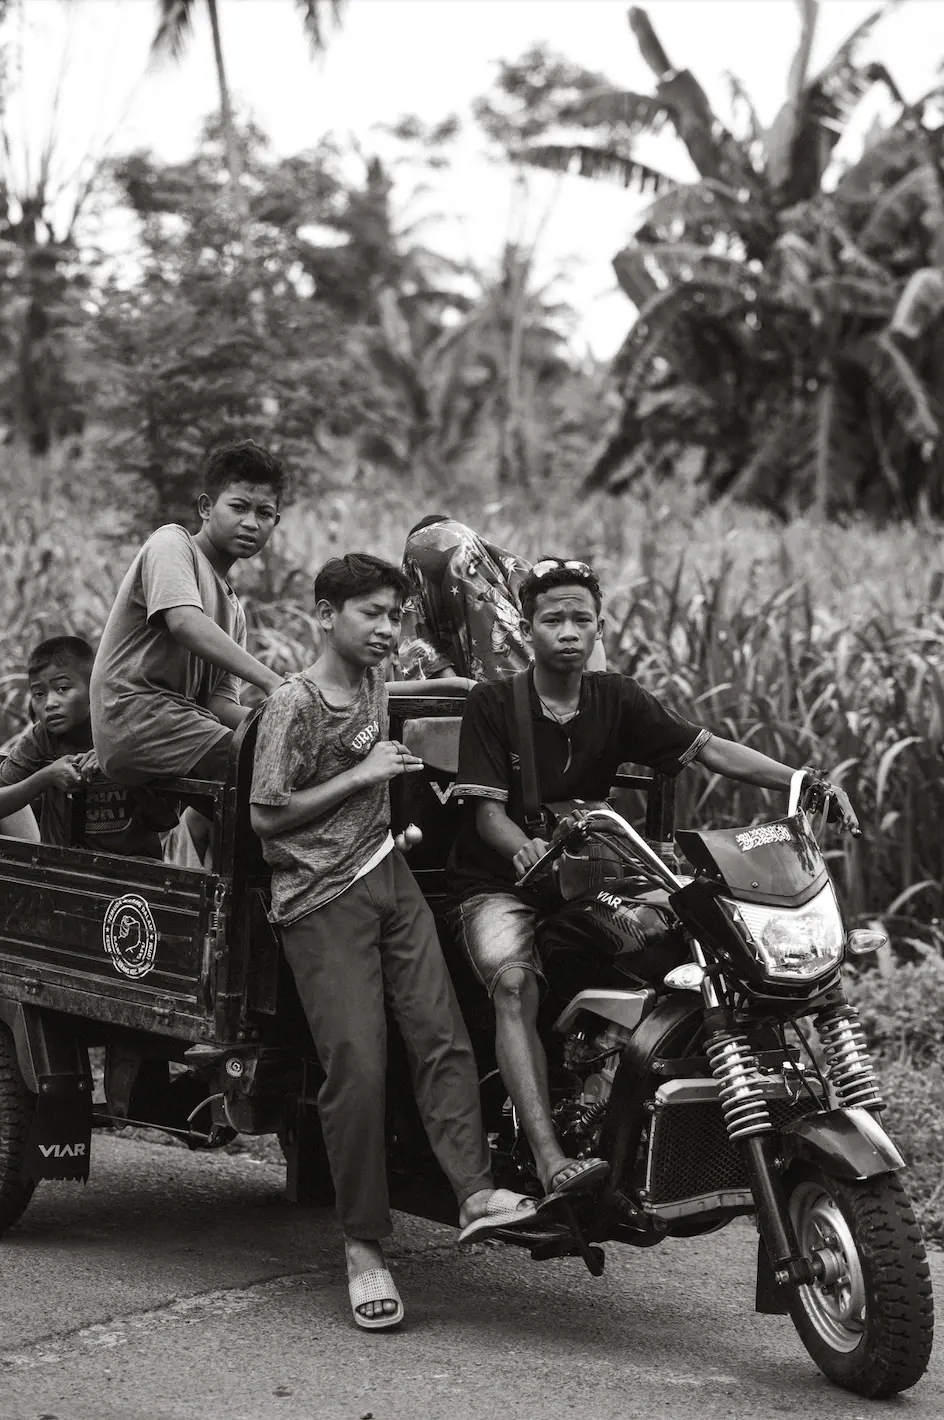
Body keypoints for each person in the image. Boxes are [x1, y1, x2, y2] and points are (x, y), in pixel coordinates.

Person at [446, 556, 860, 1213]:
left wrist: (799, 781)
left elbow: (709, 748)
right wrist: (521, 846)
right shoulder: (495, 702)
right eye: (553, 619)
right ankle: (551, 1158)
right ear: (528, 628)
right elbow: (486, 812)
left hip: (588, 872)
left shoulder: (617, 698)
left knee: (688, 940)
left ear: (599, 625)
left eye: (582, 619)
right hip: (502, 883)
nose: (569, 632)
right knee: (514, 983)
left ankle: (652, 1110)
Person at [249, 552, 537, 1333]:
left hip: (388, 876)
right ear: (325, 616)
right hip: (319, 897)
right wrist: (360, 774)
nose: (387, 629)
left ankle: (474, 1192)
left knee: (441, 1037)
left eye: (395, 615)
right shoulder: (294, 705)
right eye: (371, 614)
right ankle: (364, 1248)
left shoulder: (378, 679)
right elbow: (266, 816)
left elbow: (438, 688)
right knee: (360, 1068)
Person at [90, 440, 285, 790]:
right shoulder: (172, 544)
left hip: (182, 725)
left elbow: (220, 704)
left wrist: (278, 718)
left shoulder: (233, 611)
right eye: (239, 507)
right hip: (138, 717)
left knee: (284, 753)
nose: (251, 523)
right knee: (267, 764)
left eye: (264, 513)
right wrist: (274, 683)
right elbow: (184, 623)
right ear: (207, 507)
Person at [0, 636, 163, 855]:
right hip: (63, 874)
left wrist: (116, 759)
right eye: (39, 694)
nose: (49, 703)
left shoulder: (127, 730)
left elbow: (165, 819)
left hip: (133, 876)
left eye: (62, 688)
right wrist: (46, 777)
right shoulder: (41, 738)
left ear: (94, 688)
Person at [399, 514, 607, 683]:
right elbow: (447, 688)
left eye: (459, 566)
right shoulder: (414, 627)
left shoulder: (532, 583)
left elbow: (587, 626)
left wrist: (597, 694)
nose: (453, 583)